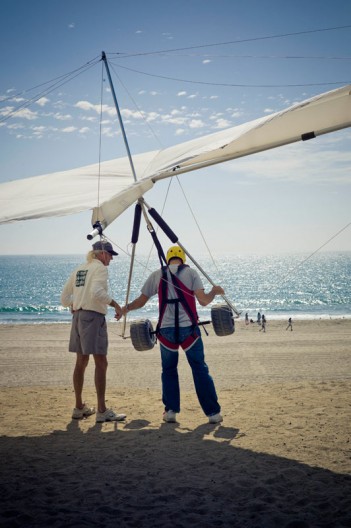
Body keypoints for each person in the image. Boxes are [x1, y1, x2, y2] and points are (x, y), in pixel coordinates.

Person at [121, 245, 225, 424]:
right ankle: (213, 414)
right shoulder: (191, 273)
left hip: (166, 331)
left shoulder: (157, 274)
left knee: (169, 370)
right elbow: (204, 301)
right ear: (183, 259)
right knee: (199, 368)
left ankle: (170, 411)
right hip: (188, 330)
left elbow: (141, 301)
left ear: (168, 259)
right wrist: (214, 292)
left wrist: (126, 308)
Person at [61, 240, 127, 423]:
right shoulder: (100, 269)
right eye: (110, 254)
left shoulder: (80, 269)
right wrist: (116, 304)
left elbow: (64, 297)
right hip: (93, 318)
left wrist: (73, 305)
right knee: (101, 362)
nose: (112, 259)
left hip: (78, 318)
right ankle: (102, 410)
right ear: (102, 254)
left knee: (81, 361)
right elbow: (97, 292)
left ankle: (78, 407)